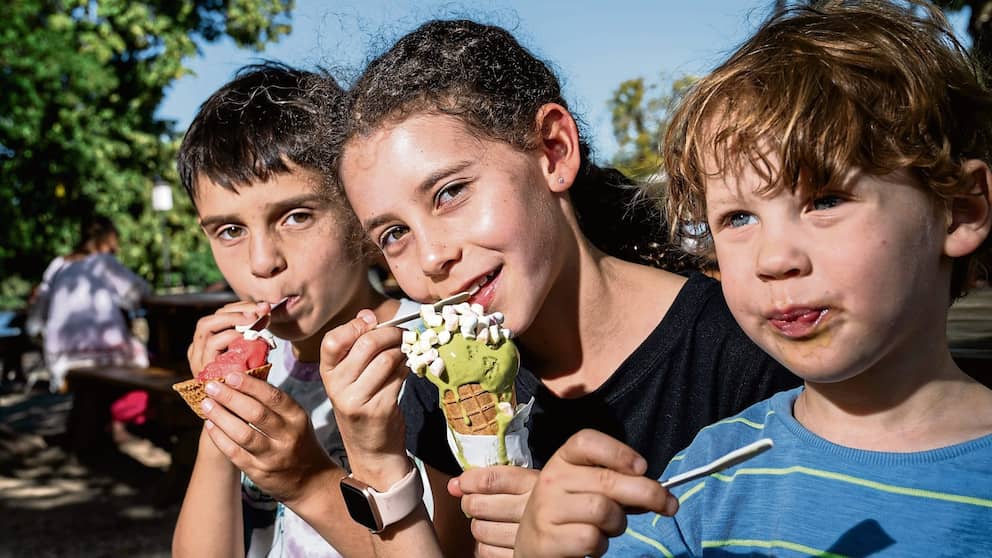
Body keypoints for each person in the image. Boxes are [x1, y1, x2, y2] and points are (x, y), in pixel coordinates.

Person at [515, 1, 992, 556]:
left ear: (959, 211)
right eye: (738, 218)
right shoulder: (701, 481)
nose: (773, 258)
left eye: (825, 199)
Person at [317, 19, 799, 556]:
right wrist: (378, 464)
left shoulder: (747, 357)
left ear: (553, 151)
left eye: (451, 192)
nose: (432, 257)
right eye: (394, 233)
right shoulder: (437, 389)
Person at [170, 61, 449, 558]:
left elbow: (453, 550)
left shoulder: (429, 354)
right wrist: (219, 419)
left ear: (360, 215)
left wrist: (308, 477)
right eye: (229, 230)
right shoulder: (267, 362)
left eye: (296, 217)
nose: (262, 262)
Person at [28, 214, 150, 392]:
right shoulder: (103, 262)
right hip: (108, 352)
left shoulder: (58, 265)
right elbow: (140, 293)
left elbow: (36, 316)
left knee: (89, 396)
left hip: (60, 357)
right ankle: (119, 419)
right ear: (107, 238)